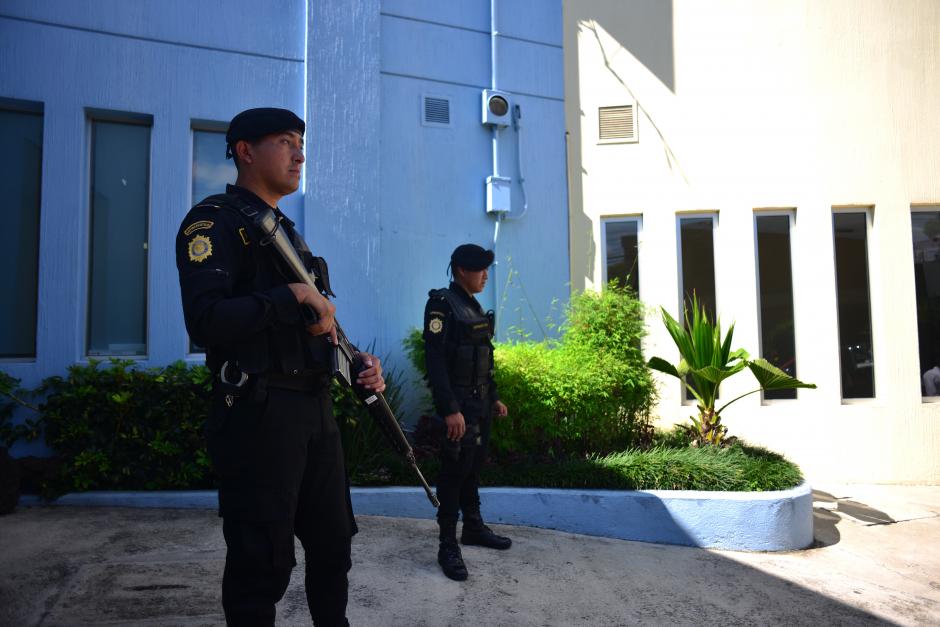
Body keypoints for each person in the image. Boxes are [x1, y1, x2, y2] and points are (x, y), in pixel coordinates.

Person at [176, 107, 385, 626]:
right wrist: (289, 296)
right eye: (285, 141)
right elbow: (206, 321)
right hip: (259, 412)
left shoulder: (289, 233)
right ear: (245, 151)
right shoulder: (213, 223)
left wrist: (357, 361)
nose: (300, 153)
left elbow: (320, 324)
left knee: (334, 547)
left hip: (315, 411)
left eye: (300, 142)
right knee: (261, 562)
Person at [422, 244, 511, 581]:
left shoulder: (472, 305)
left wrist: (495, 397)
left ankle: (473, 528)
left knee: (472, 469)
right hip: (460, 409)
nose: (486, 275)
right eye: (480, 269)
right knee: (453, 475)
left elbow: (484, 357)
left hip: (481, 405)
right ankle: (448, 545)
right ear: (461, 270)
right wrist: (450, 410)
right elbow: (436, 361)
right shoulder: (442, 305)